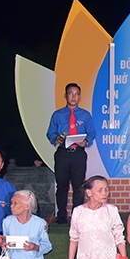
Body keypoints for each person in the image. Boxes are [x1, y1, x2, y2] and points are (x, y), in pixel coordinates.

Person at [46, 83, 96, 225]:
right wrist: (55, 138)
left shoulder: (85, 115)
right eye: (70, 93)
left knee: (78, 186)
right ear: (65, 95)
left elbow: (92, 132)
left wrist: (85, 141)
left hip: (78, 154)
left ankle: (77, 216)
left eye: (76, 94)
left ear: (79, 96)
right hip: (62, 153)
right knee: (62, 186)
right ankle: (61, 215)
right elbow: (50, 132)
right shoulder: (57, 115)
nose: (73, 97)